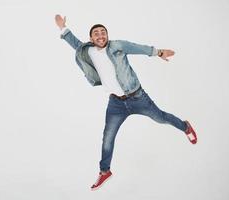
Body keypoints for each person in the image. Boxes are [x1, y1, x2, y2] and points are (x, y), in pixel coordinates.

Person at [54, 14, 197, 191]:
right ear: (91, 38)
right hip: (115, 104)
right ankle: (104, 171)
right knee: (108, 138)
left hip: (137, 98)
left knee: (161, 118)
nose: (100, 35)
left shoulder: (117, 45)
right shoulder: (88, 50)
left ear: (107, 35)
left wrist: (159, 52)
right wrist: (63, 27)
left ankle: (185, 127)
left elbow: (139, 48)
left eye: (103, 32)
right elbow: (75, 44)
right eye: (96, 33)